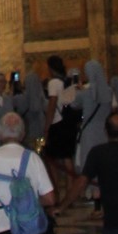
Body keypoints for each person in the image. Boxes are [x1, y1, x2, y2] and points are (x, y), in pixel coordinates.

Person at [41, 55, 78, 201]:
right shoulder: (68, 81)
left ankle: (55, 192)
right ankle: (70, 192)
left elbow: (52, 105)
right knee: (67, 157)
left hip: (57, 123)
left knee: (52, 159)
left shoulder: (53, 82)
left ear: (50, 68)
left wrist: (47, 126)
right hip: (69, 123)